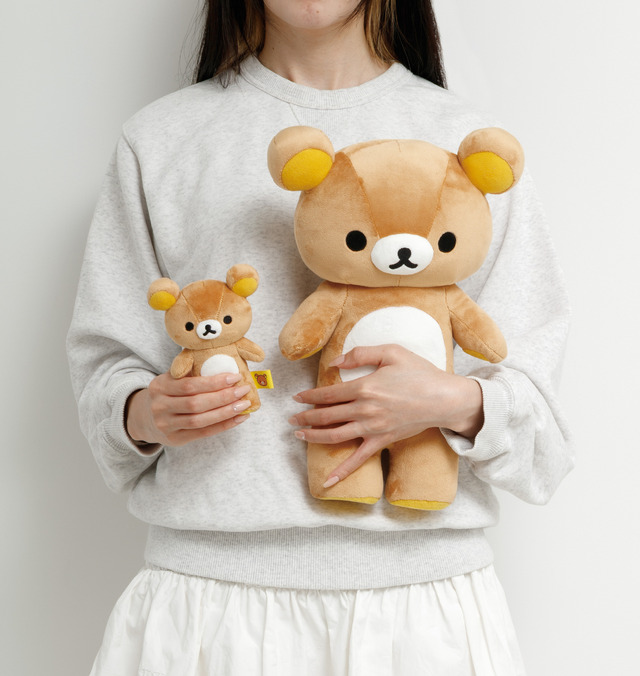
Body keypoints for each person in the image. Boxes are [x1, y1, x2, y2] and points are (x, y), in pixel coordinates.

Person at [67, 1, 573, 674]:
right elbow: (105, 369)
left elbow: (543, 439)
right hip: (209, 608)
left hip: (422, 615)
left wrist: (453, 403)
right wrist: (145, 413)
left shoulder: (472, 147)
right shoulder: (161, 138)